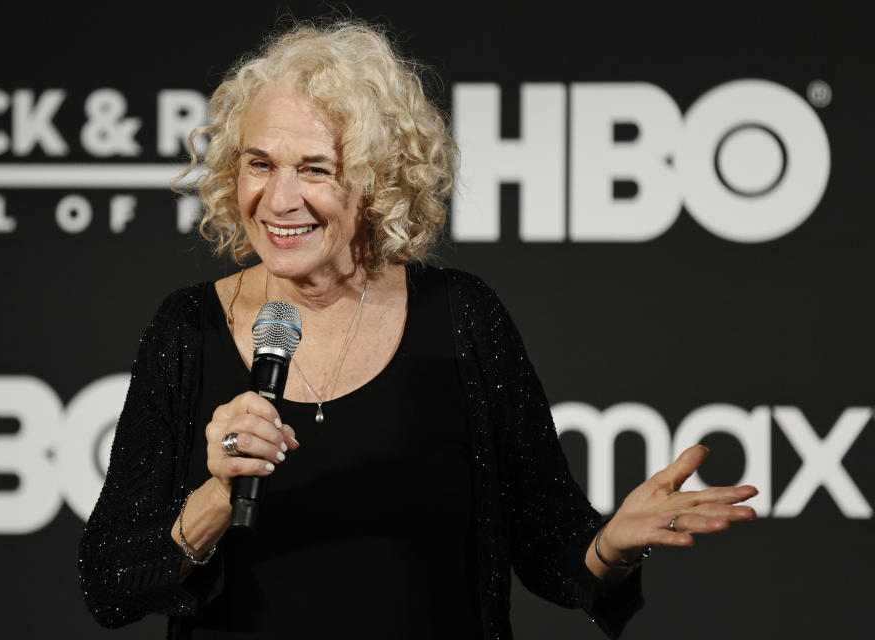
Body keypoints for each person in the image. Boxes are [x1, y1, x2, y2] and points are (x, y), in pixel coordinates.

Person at [78, 20, 758, 640]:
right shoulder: (189, 330)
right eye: (260, 163)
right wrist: (216, 497)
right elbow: (109, 583)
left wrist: (613, 544)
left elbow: (552, 548)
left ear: (375, 182)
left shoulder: (463, 318)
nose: (279, 199)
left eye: (315, 169)